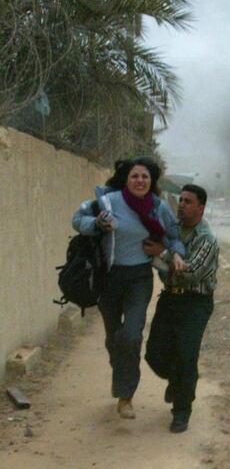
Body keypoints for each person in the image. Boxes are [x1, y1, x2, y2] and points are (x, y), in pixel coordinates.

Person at [72, 157, 185, 419]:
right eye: (135, 176)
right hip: (108, 278)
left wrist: (173, 253)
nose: (140, 180)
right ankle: (120, 373)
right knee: (115, 339)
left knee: (131, 336)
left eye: (145, 176)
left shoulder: (158, 208)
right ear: (126, 178)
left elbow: (174, 233)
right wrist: (97, 224)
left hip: (139, 278)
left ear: (151, 181)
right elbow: (78, 220)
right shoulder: (107, 201)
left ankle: (125, 396)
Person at [144, 184, 219, 433]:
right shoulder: (171, 231)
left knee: (186, 356)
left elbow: (190, 274)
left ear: (200, 207)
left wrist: (162, 254)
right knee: (154, 354)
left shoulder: (206, 239)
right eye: (181, 200)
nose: (182, 205)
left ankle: (181, 411)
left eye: (188, 201)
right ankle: (177, 382)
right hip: (170, 299)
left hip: (195, 303)